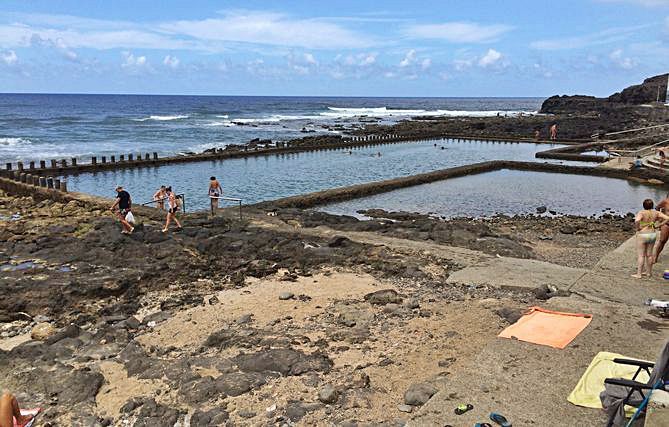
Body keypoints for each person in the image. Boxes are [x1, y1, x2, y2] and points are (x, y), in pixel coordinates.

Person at [633, 199, 669, 279]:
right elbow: (667, 218)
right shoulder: (656, 213)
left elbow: (637, 220)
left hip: (643, 234)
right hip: (652, 234)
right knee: (649, 254)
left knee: (641, 255)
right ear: (652, 206)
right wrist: (659, 225)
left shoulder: (641, 212)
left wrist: (638, 228)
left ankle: (639, 274)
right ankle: (648, 273)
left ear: (643, 205)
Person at [654, 193, 669, 263]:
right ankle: (655, 256)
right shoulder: (665, 201)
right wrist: (660, 217)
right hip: (666, 224)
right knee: (662, 241)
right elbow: (657, 208)